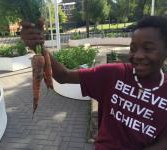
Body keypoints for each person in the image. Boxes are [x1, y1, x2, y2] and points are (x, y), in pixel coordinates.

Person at [20, 16, 167, 150]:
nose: (138, 55)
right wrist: (38, 47)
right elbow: (63, 76)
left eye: (148, 48)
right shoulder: (114, 74)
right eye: (133, 48)